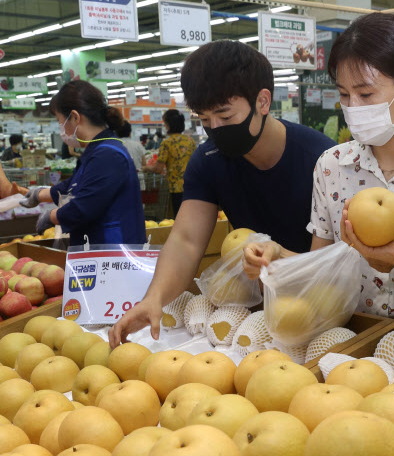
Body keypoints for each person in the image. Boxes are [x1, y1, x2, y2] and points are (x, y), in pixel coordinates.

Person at [244, 12, 394, 317]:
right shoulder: (331, 166)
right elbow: (321, 269)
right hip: (346, 337)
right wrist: (277, 257)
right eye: (344, 94)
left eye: (366, 93)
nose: (353, 107)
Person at [109, 40, 334, 346]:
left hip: (321, 306)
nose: (214, 128)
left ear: (263, 102)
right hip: (253, 308)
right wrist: (154, 298)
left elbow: (334, 264)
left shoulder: (322, 160)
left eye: (226, 117)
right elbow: (186, 241)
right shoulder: (208, 162)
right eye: (204, 120)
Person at [19, 80, 146, 246]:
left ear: (75, 117)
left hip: (114, 253)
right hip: (100, 249)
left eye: (60, 120)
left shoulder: (108, 155)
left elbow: (83, 207)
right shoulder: (98, 150)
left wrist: (51, 216)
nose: (60, 128)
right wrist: (38, 194)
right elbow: (74, 186)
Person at [145, 109, 196, 216]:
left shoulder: (167, 143)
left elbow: (158, 169)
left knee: (180, 217)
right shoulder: (190, 141)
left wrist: (146, 168)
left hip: (176, 189)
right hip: (192, 186)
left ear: (168, 125)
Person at [118, 120, 146, 190]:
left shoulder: (116, 145)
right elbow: (144, 164)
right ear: (130, 133)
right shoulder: (138, 145)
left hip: (121, 180)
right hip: (138, 178)